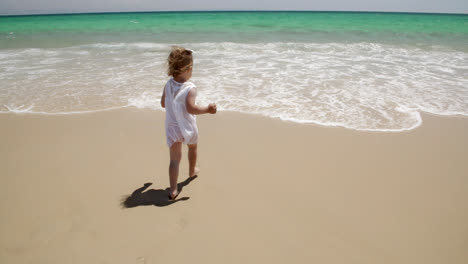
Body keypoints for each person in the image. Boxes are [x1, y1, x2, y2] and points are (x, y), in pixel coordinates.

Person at [160, 47, 217, 200]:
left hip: (172, 127)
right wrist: (207, 109)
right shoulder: (190, 88)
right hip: (187, 127)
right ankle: (192, 171)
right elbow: (192, 109)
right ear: (187, 69)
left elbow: (163, 104)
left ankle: (173, 190)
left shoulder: (168, 85)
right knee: (192, 147)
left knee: (174, 160)